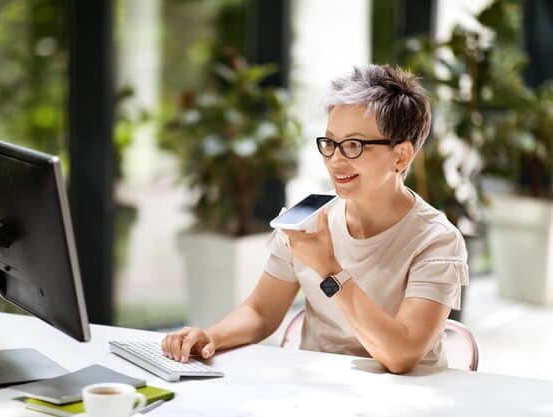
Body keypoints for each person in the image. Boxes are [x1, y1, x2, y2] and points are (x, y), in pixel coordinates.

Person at [162, 64, 469, 374]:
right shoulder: (307, 221)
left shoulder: (437, 241)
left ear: (401, 156)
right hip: (317, 391)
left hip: (407, 397)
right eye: (330, 143)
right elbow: (260, 312)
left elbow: (400, 356)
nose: (335, 160)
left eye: (354, 146)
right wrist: (209, 336)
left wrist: (329, 269)